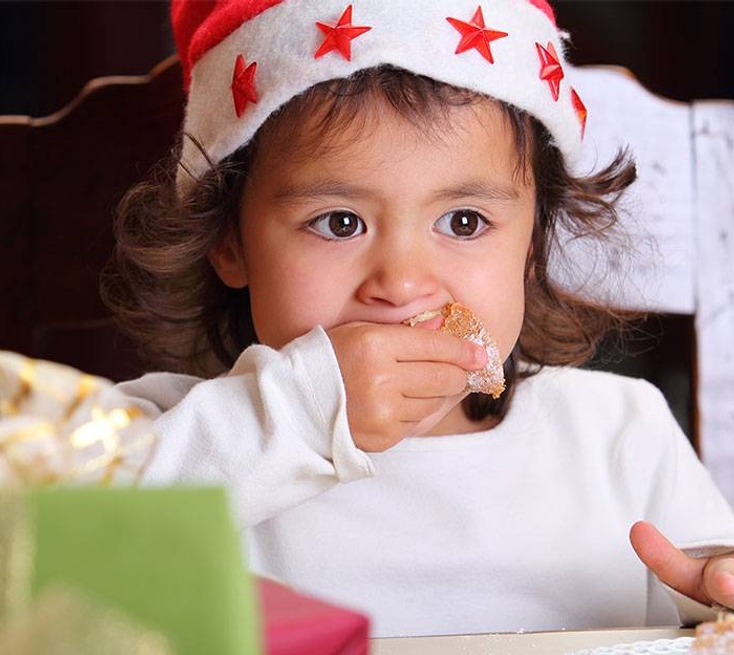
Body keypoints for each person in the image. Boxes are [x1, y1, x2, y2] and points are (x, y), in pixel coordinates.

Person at [102, 0, 734, 638]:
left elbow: (710, 599)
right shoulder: (173, 442)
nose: (402, 284)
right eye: (339, 223)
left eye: (464, 222)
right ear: (229, 242)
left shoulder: (620, 433)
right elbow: (20, 558)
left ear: (534, 243)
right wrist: (296, 413)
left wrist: (715, 591)